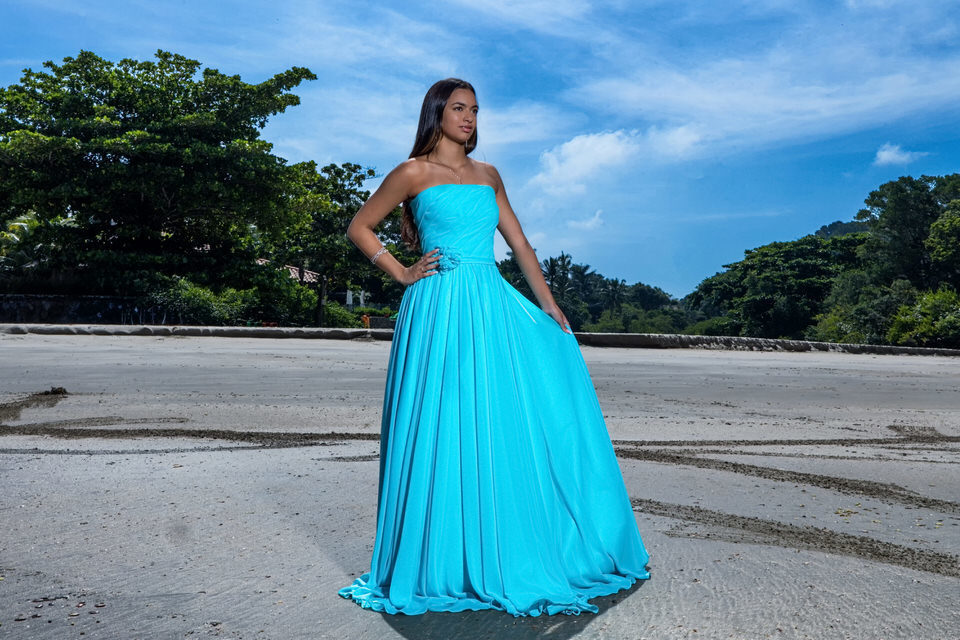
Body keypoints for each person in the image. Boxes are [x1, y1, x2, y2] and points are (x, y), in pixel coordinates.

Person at [338, 78, 649, 617]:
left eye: (476, 110)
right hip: (436, 306)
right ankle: (438, 559)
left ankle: (504, 543)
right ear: (437, 113)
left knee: (495, 415)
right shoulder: (412, 172)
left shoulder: (489, 176)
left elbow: (520, 243)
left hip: (488, 300)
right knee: (440, 420)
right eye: (459, 108)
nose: (470, 119)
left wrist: (549, 305)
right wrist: (403, 273)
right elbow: (360, 227)